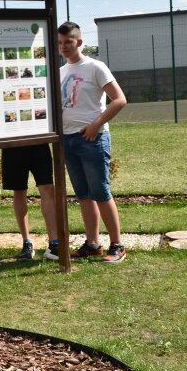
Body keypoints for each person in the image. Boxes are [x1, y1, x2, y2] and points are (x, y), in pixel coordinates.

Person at [58, 21, 128, 263]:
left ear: (79, 42)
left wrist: (96, 125)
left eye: (68, 41)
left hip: (93, 139)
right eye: (60, 43)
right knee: (84, 195)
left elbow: (119, 100)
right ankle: (92, 243)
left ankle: (117, 245)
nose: (64, 47)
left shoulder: (95, 67)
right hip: (67, 140)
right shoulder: (60, 72)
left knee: (100, 192)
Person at [1, 145, 60, 261]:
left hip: (38, 142)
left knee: (48, 188)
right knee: (19, 191)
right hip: (13, 144)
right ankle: (27, 243)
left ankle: (54, 243)